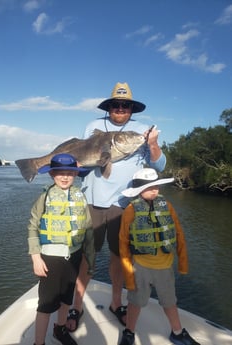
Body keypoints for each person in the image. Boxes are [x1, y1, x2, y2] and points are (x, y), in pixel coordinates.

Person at [66, 82, 166, 332]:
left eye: (125, 105)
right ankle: (76, 306)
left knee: (121, 258)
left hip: (126, 203)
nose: (120, 109)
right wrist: (73, 166)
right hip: (94, 201)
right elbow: (86, 166)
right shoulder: (94, 126)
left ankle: (115, 303)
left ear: (132, 109)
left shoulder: (144, 130)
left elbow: (160, 166)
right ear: (109, 107)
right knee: (87, 256)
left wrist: (153, 144)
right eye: (115, 105)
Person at [118, 168, 200, 345]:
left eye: (156, 185)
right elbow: (123, 243)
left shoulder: (167, 206)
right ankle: (129, 331)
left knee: (170, 301)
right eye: (149, 187)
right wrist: (129, 275)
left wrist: (183, 262)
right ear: (139, 190)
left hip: (165, 266)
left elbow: (179, 233)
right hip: (140, 266)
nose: (154, 189)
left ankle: (177, 332)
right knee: (135, 302)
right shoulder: (130, 210)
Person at [27, 153, 95, 345]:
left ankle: (60, 329)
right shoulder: (44, 197)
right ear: (52, 174)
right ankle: (38, 342)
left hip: (74, 257)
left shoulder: (80, 196)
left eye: (70, 173)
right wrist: (35, 257)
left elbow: (88, 229)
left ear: (75, 175)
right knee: (46, 304)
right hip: (50, 259)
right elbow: (32, 226)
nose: (65, 177)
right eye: (60, 173)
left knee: (67, 298)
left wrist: (90, 259)